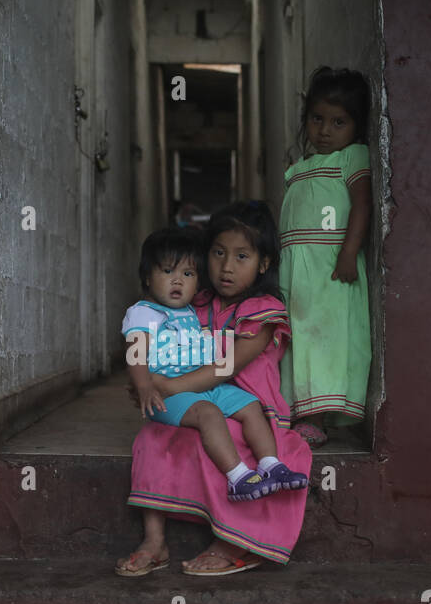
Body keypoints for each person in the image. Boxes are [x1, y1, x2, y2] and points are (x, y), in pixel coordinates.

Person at [117, 202, 311, 578]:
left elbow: (227, 367)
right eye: (218, 253)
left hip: (251, 405)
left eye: (242, 256)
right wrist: (145, 382)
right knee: (153, 438)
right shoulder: (195, 303)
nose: (226, 266)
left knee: (235, 444)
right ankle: (155, 541)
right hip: (199, 401)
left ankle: (235, 541)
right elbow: (153, 348)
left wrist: (168, 385)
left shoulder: (263, 311)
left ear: (264, 263)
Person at [121, 226, 301, 504]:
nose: (178, 281)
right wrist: (144, 385)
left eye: (188, 274)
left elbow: (221, 360)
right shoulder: (144, 313)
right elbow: (135, 352)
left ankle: (270, 465)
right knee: (209, 414)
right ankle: (239, 477)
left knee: (250, 405)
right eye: (168, 272)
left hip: (204, 387)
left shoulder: (192, 310)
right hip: (171, 397)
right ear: (147, 277)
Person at [278, 66, 373, 449]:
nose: (325, 130)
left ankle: (316, 417)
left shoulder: (352, 157)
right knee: (293, 339)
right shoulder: (297, 168)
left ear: (355, 126)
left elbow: (362, 205)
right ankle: (291, 408)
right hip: (294, 272)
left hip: (329, 270)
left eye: (339, 122)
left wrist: (349, 253)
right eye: (317, 119)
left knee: (323, 340)